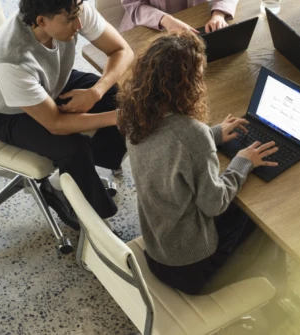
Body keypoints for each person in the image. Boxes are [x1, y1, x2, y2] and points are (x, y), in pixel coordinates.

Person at [0, 0, 134, 228]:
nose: (78, 26)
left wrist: (95, 93)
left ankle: (68, 177)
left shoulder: (70, 8)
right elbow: (55, 124)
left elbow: (122, 50)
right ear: (41, 21)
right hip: (4, 112)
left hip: (50, 83)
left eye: (78, 16)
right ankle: (87, 217)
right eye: (70, 21)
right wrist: (117, 118)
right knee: (72, 148)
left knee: (120, 97)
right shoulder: (12, 60)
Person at [117, 31, 277, 295]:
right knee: (263, 216)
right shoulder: (191, 133)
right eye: (199, 76)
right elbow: (214, 204)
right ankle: (274, 293)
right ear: (186, 84)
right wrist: (241, 162)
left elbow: (168, 154)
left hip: (158, 253)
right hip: (196, 269)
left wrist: (212, 135)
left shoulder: (134, 116)